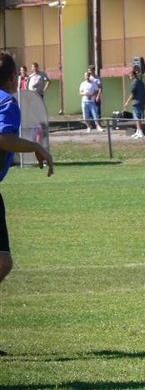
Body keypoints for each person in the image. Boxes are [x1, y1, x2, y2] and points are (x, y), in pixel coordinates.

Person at [0, 52, 55, 310]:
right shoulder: (6, 103)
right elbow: (3, 138)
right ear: (13, 78)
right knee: (3, 262)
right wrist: (37, 147)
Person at [123, 68, 145, 138]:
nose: (130, 77)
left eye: (130, 76)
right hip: (141, 102)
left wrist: (127, 102)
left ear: (133, 75)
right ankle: (138, 131)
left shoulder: (134, 83)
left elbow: (132, 94)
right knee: (139, 117)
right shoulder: (141, 82)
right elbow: (144, 93)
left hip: (136, 102)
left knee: (137, 118)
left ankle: (140, 132)